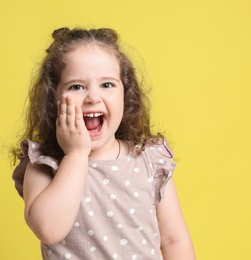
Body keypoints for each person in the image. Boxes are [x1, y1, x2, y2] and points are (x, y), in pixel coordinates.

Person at [12, 27, 195, 260]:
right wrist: (76, 154)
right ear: (53, 100)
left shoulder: (149, 159)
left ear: (125, 94)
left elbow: (173, 239)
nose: (93, 97)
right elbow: (49, 229)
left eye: (107, 85)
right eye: (76, 86)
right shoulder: (44, 164)